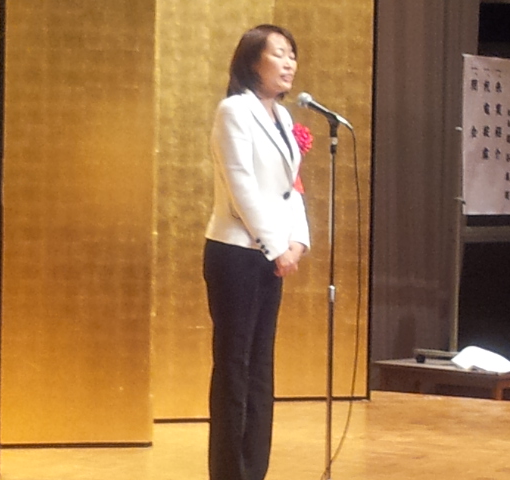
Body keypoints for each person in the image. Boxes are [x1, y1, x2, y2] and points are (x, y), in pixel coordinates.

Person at [203, 24, 311, 480]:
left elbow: (290, 188)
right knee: (235, 366)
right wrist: (275, 247)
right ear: (252, 62)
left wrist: (298, 240)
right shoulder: (234, 111)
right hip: (236, 254)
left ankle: (255, 471)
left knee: (261, 367)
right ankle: (230, 472)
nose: (289, 63)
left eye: (292, 55)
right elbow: (241, 188)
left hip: (273, 254)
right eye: (278, 54)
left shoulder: (283, 117)